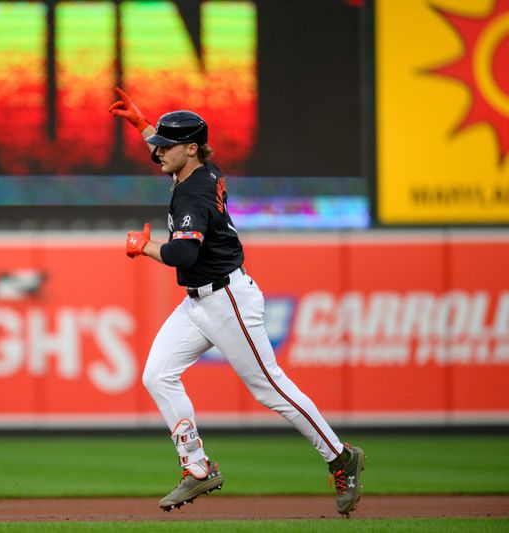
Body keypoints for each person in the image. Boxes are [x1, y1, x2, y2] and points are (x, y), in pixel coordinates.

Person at [109, 86, 365, 516]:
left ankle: (340, 456)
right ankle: (197, 467)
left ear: (190, 149)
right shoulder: (195, 170)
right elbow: (171, 159)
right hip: (198, 302)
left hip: (227, 299)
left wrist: (143, 246)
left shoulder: (195, 192)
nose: (157, 154)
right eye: (157, 145)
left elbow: (182, 254)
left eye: (165, 147)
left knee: (271, 387)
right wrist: (142, 124)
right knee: (157, 374)